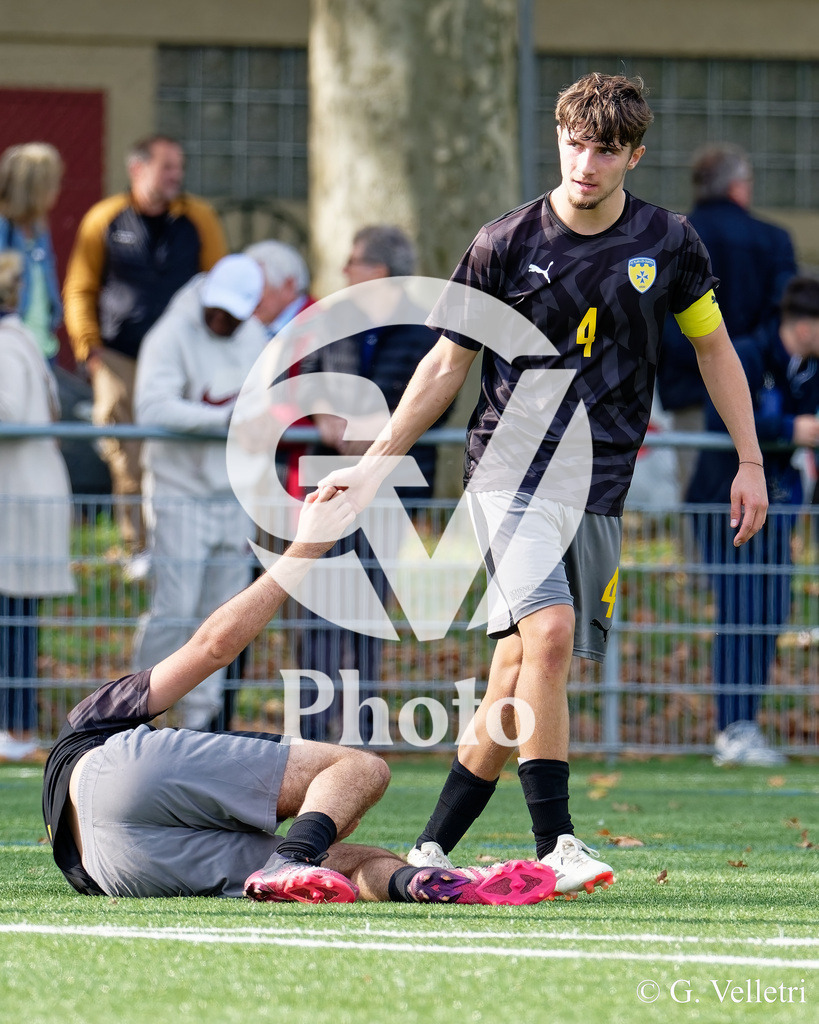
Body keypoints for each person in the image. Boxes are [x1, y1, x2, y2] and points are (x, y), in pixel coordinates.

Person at [319, 73, 768, 899]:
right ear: (557, 136)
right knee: (551, 634)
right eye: (573, 141)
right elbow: (444, 365)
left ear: (634, 154)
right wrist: (374, 461)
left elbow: (713, 350)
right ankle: (557, 841)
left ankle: (427, 848)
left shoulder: (668, 243)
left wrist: (749, 459)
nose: (585, 162)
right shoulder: (501, 242)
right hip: (507, 474)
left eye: (604, 149)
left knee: (517, 672)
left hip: (597, 489)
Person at [41, 485, 557, 905]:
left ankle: (432, 885)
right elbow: (213, 647)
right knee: (358, 771)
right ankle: (296, 858)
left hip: (109, 867)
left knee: (347, 862)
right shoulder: (92, 715)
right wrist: (308, 545)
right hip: (110, 773)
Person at [293, 225, 445, 741]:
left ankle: (359, 730)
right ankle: (310, 729)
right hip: (329, 481)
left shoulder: (425, 332)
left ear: (380, 271)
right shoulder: (334, 321)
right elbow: (304, 378)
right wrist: (325, 418)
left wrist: (375, 440)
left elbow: (428, 407)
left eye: (354, 261)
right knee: (317, 604)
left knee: (366, 608)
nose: (345, 271)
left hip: (387, 491)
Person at [62, 135, 227, 563]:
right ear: (138, 169)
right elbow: (80, 288)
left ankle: (179, 541)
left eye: (179, 167)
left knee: (178, 446)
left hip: (182, 355)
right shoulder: (105, 218)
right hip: (119, 355)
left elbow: (219, 283)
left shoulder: (198, 218)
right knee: (126, 451)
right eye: (167, 166)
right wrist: (90, 350)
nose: (177, 175)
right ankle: (136, 545)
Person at [130, 254, 270, 731]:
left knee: (222, 617)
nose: (222, 320)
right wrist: (220, 421)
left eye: (233, 313)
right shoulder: (169, 335)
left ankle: (198, 724)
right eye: (217, 310)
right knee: (174, 610)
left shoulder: (253, 337)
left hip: (231, 494)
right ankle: (135, 714)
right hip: (179, 490)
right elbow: (151, 406)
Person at [688, 275, 819, 766]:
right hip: (723, 503)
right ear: (804, 325)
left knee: (771, 610)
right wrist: (791, 429)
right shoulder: (745, 352)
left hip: (777, 506)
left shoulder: (809, 368)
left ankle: (746, 725)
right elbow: (715, 417)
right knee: (740, 609)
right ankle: (732, 729)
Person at [657, 143, 797, 498]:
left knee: (696, 499)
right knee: (757, 487)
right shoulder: (774, 241)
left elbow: (661, 322)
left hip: (690, 390)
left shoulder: (672, 239)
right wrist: (750, 363)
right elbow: (782, 320)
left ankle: (695, 556)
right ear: (737, 186)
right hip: (756, 395)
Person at [0, 251, 74, 759]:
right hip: (27, 496)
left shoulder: (6, 345)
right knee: (16, 618)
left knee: (12, 619)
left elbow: (6, 410)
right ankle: (17, 730)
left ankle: (16, 731)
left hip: (20, 500)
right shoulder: (20, 340)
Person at [0, 143, 64, 366]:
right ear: (34, 188)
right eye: (52, 183)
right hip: (10, 357)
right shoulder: (3, 230)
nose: (57, 189)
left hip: (42, 350)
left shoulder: (38, 229)